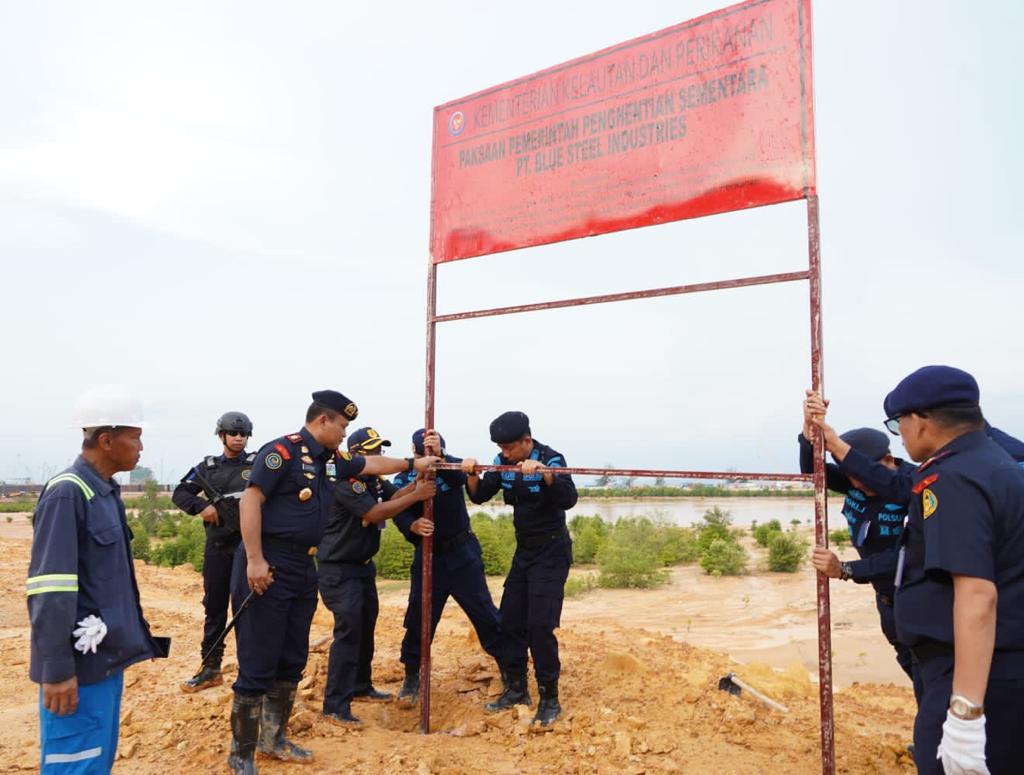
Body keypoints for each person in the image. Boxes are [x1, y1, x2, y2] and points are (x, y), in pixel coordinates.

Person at [227, 392, 439, 773]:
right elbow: (250, 500)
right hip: (270, 564)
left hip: (304, 565)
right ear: (323, 421)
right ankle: (241, 754)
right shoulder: (284, 452)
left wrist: (413, 462)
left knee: (292, 657)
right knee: (259, 658)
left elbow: (372, 463)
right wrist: (255, 559)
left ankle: (274, 739)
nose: (345, 433)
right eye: (342, 426)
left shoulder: (332, 461)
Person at [884, 366, 1024, 775]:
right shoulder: (996, 465)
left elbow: (978, 595)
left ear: (921, 421)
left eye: (899, 424)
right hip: (998, 672)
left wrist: (965, 715)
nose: (902, 435)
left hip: (973, 675)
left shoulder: (953, 478)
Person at [27, 385, 169, 773]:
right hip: (78, 668)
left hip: (104, 662)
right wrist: (56, 669)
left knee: (95, 758)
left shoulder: (103, 493)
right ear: (106, 440)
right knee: (74, 763)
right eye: (134, 436)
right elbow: (49, 591)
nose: (141, 446)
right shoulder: (68, 494)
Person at [463, 411, 577, 727]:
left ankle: (550, 700)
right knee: (510, 621)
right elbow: (480, 495)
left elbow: (569, 499)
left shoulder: (551, 459)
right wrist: (471, 473)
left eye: (510, 447)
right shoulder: (502, 463)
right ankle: (516, 690)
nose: (505, 453)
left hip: (552, 552)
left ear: (527, 441)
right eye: (501, 447)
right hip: (524, 552)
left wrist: (545, 475)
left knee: (540, 626)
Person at [318, 427, 436, 725]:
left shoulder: (374, 481)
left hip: (362, 567)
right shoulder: (347, 482)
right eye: (372, 451)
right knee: (349, 632)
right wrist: (417, 495)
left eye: (379, 450)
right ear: (355, 455)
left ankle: (360, 685)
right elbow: (375, 514)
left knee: (365, 626)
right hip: (339, 569)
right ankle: (335, 705)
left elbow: (398, 495)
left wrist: (417, 484)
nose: (378, 456)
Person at [798, 396, 917, 685]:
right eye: (853, 478)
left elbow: (910, 555)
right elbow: (812, 472)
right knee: (914, 673)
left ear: (888, 461)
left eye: (865, 475)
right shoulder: (856, 483)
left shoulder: (916, 485)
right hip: (887, 603)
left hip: (918, 599)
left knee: (936, 683)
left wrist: (846, 570)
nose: (861, 484)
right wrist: (807, 431)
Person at [392, 429, 502, 705]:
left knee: (485, 613)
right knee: (420, 616)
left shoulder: (450, 466)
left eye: (435, 451)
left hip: (462, 553)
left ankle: (511, 670)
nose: (429, 457)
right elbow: (398, 510)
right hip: (428, 556)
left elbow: (460, 478)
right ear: (415, 451)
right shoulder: (405, 476)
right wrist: (411, 525)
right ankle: (411, 677)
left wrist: (441, 457)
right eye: (424, 452)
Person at [173, 411, 256, 693]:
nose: (238, 438)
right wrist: (202, 507)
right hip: (219, 546)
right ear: (221, 435)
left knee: (249, 607)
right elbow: (180, 493)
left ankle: (252, 670)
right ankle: (210, 668)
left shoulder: (258, 465)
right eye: (233, 433)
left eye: (242, 434)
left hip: (250, 547)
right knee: (215, 606)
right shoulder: (207, 469)